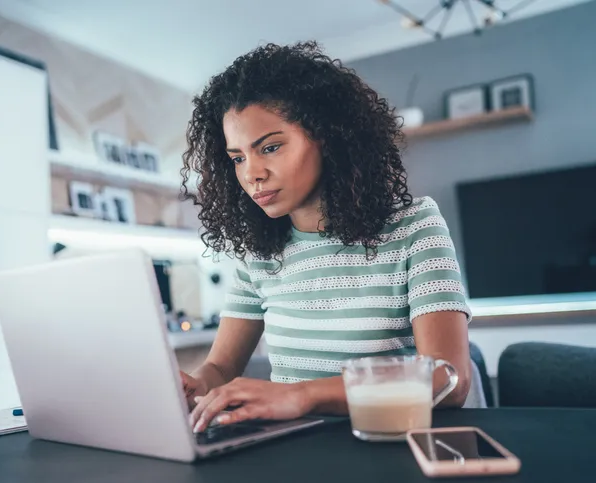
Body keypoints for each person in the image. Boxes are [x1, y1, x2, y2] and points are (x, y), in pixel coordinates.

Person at [179, 41, 472, 433]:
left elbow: (449, 380)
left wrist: (302, 394)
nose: (252, 174)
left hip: (388, 442)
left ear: (328, 138)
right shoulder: (259, 254)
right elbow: (220, 368)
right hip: (292, 450)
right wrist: (197, 385)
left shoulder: (414, 227)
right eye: (238, 158)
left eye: (270, 147)